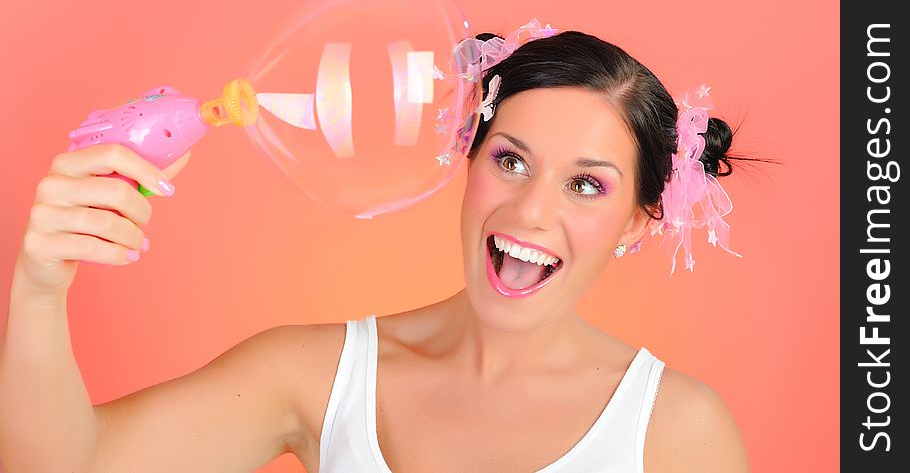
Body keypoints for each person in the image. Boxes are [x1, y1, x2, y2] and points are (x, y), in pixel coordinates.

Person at [0, 24, 751, 472]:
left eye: (586, 186)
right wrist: (39, 288)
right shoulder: (320, 376)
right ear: (469, 157)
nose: (530, 209)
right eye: (510, 161)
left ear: (638, 222)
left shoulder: (677, 429)